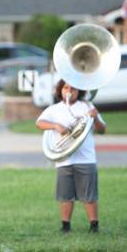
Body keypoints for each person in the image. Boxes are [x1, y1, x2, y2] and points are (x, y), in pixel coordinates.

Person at [36, 79, 106, 233]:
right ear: (60, 90)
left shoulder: (87, 107)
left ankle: (94, 226)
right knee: (65, 195)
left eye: (73, 88)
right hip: (64, 159)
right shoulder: (54, 109)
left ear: (78, 91)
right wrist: (56, 126)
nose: (69, 91)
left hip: (86, 159)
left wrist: (95, 117)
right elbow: (39, 123)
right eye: (66, 87)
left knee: (89, 195)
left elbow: (102, 130)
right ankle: (65, 226)